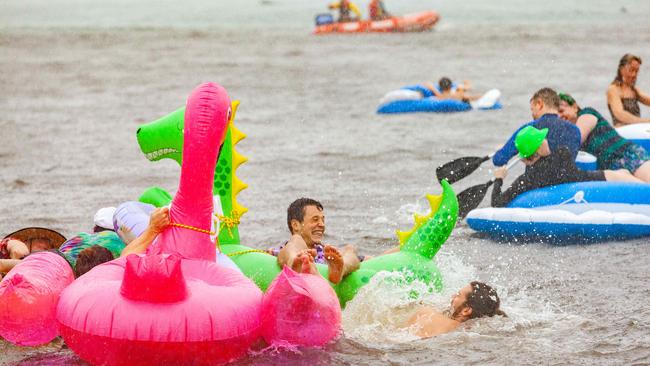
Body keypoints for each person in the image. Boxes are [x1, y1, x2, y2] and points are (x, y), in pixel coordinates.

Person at [491, 126, 643, 207]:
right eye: (542, 139)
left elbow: (497, 202)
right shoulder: (561, 153)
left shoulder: (526, 179)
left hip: (582, 182)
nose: (546, 140)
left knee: (622, 171)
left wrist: (499, 179)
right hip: (595, 180)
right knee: (621, 173)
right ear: (538, 149)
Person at [558, 92, 650, 182]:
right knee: (643, 193)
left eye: (561, 111)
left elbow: (577, 138)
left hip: (627, 154)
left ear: (574, 107)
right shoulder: (567, 134)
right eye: (556, 115)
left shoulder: (587, 113)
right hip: (611, 167)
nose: (559, 116)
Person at [493, 87, 582, 167]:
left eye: (532, 109)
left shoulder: (530, 128)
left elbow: (499, 160)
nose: (532, 114)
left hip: (536, 181)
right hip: (566, 181)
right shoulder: (575, 130)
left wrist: (500, 151)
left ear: (539, 104)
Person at [407, 281, 506, 338]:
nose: (453, 296)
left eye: (458, 295)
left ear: (466, 310)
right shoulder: (469, 333)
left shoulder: (427, 314)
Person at [606, 54, 650, 127]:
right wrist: (646, 121)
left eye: (636, 71)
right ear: (621, 70)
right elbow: (620, 114)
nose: (634, 75)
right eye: (631, 70)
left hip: (637, 129)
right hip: (621, 131)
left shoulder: (634, 91)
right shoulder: (613, 89)